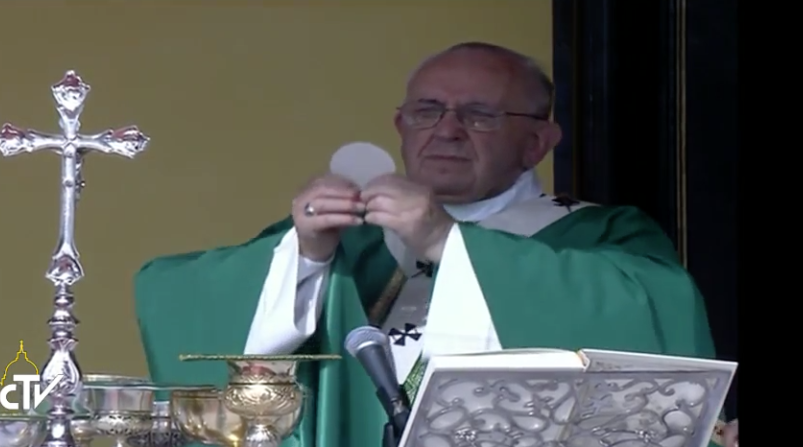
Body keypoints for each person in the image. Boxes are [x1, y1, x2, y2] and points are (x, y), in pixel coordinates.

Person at [134, 42, 717, 447]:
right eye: (427, 111)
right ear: (400, 126)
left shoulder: (597, 235)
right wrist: (304, 254)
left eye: (481, 115)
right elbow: (181, 297)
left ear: (538, 142)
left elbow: (657, 312)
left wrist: (444, 240)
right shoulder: (351, 238)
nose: (447, 129)